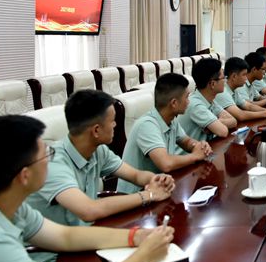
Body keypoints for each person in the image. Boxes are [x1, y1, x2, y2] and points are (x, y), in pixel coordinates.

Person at [0, 115, 174, 262]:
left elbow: (65, 236)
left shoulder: (6, 205)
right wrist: (143, 256)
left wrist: (136, 237)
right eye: (46, 154)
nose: (51, 160)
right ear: (24, 176)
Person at [27, 90, 175, 232]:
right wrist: (149, 195)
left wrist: (158, 180)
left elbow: (135, 175)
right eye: (112, 121)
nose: (115, 125)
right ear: (96, 130)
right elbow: (88, 210)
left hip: (83, 235)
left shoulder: (98, 151)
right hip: (51, 247)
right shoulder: (53, 163)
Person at [118, 73, 212, 194]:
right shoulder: (147, 125)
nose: (189, 102)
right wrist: (195, 156)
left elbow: (186, 141)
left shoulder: (171, 120)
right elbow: (166, 164)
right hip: (138, 195)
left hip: (159, 187)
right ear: (174, 103)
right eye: (186, 97)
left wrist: (198, 146)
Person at [179, 58, 238, 142]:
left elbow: (234, 121)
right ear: (212, 84)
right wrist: (217, 123)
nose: (225, 81)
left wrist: (215, 123)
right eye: (223, 78)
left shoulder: (210, 100)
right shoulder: (195, 105)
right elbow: (223, 131)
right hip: (189, 150)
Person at [215, 57, 266, 121]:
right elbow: (241, 115)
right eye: (244, 75)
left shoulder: (234, 90)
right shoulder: (223, 92)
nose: (246, 78)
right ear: (234, 76)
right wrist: (265, 113)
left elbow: (249, 106)